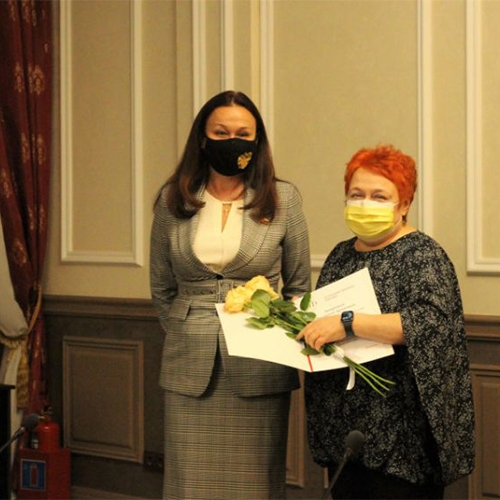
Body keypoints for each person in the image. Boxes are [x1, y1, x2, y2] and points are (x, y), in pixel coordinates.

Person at [150, 90, 311, 499]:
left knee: (256, 484)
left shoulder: (284, 199)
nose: (232, 141)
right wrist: (187, 328)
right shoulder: (172, 199)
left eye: (243, 134)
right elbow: (162, 287)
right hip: (190, 365)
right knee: (189, 485)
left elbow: (298, 286)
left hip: (259, 364)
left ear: (257, 141)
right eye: (221, 132)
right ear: (203, 139)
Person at [297, 144, 475, 499]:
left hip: (402, 436)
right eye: (356, 195)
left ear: (404, 204)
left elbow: (429, 324)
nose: (365, 204)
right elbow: (322, 317)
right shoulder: (340, 255)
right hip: (346, 433)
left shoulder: (423, 254)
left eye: (379, 196)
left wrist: (348, 323)